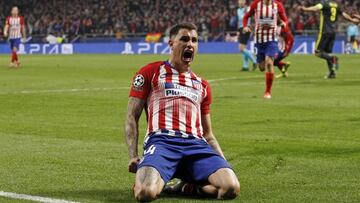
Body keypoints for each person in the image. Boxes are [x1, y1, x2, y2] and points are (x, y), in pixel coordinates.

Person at [125, 23, 240, 202]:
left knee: (230, 188)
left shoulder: (202, 85)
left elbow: (208, 134)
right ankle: (148, 180)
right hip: (162, 143)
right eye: (184, 39)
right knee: (145, 194)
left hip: (196, 145)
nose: (190, 44)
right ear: (171, 44)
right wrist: (133, 156)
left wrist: (224, 162)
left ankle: (187, 187)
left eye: (194, 40)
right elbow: (132, 115)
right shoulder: (151, 72)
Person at [300, 0, 359, 79]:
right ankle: (332, 73)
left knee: (317, 52)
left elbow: (315, 8)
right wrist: (352, 20)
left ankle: (333, 59)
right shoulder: (335, 5)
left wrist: (304, 9)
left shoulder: (324, 3)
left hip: (324, 32)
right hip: (333, 32)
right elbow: (343, 14)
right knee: (327, 53)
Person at [243, 0, 288, 99]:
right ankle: (271, 71)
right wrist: (245, 26)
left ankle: (267, 92)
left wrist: (284, 24)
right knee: (262, 67)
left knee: (269, 62)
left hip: (272, 39)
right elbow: (246, 16)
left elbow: (285, 20)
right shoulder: (256, 4)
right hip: (259, 40)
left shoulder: (278, 5)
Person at [237, 0, 257, 71]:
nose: (240, 2)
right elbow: (239, 20)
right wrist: (238, 30)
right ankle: (245, 66)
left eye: (242, 1)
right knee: (243, 49)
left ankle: (254, 61)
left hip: (246, 28)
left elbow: (248, 17)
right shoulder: (238, 10)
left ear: (245, 2)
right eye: (239, 1)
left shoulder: (248, 8)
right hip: (241, 29)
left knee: (241, 48)